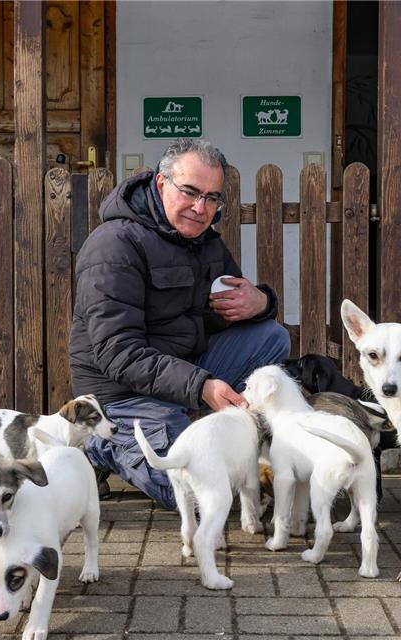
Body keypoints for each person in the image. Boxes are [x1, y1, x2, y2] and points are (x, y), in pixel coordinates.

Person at [69, 139, 290, 509]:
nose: (200, 208)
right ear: (161, 184)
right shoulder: (114, 246)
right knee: (196, 492)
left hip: (182, 372)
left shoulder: (206, 244)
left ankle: (238, 441)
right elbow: (117, 352)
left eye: (212, 198)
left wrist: (260, 302)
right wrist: (201, 386)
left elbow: (227, 314)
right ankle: (101, 445)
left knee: (271, 337)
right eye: (190, 192)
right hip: (120, 390)